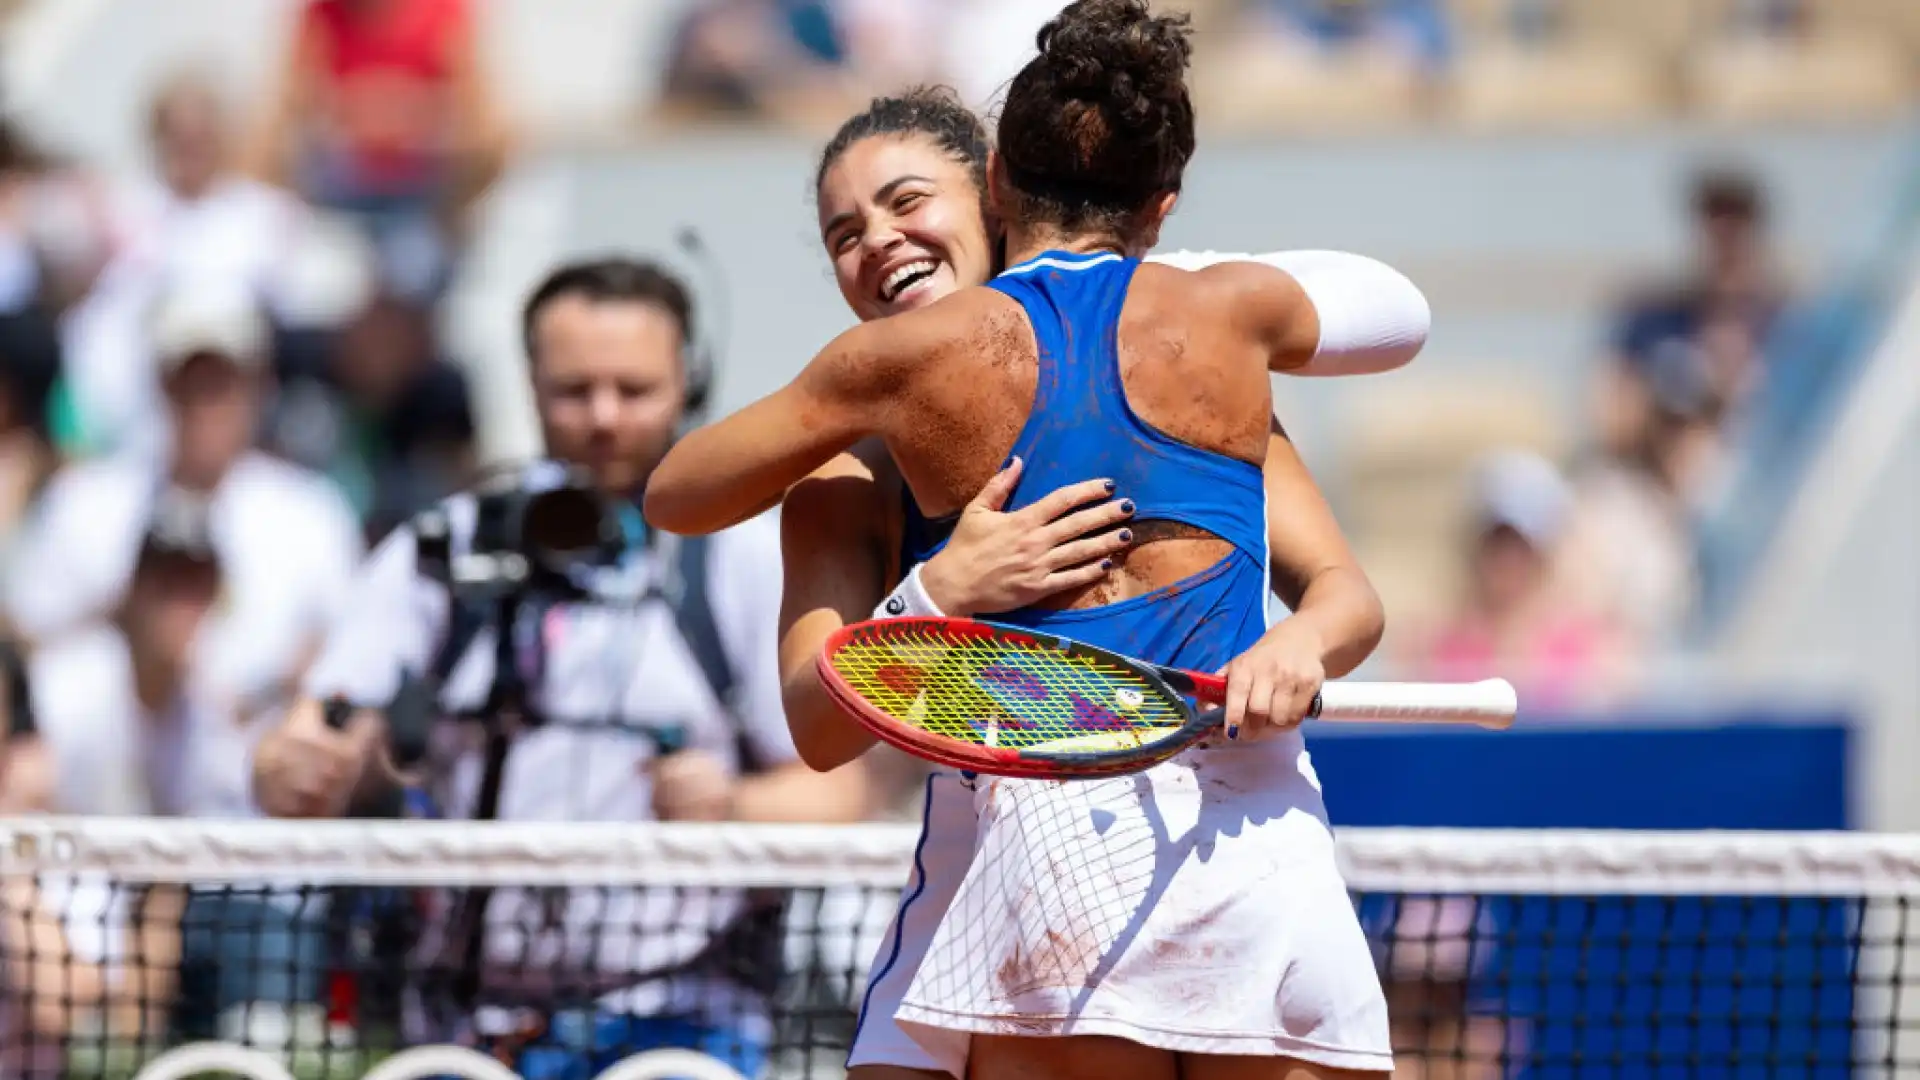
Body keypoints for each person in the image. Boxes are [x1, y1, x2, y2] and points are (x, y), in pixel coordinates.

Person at [648, 2, 1430, 1073]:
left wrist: (1298, 644)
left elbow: (1346, 590)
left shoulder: (1206, 353)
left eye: (905, 201)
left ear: (996, 191)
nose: (877, 239)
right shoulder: (844, 460)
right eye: (843, 232)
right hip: (1003, 870)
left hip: (1221, 851)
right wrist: (936, 593)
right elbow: (814, 724)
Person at [250, 257, 870, 1079]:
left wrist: (732, 802)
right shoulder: (446, 549)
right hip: (466, 1026)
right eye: (574, 390)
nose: (604, 417)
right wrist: (296, 769)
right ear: (531, 386)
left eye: (634, 388)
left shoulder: (743, 558)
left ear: (689, 384)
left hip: (681, 1023)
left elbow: (839, 793)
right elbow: (312, 728)